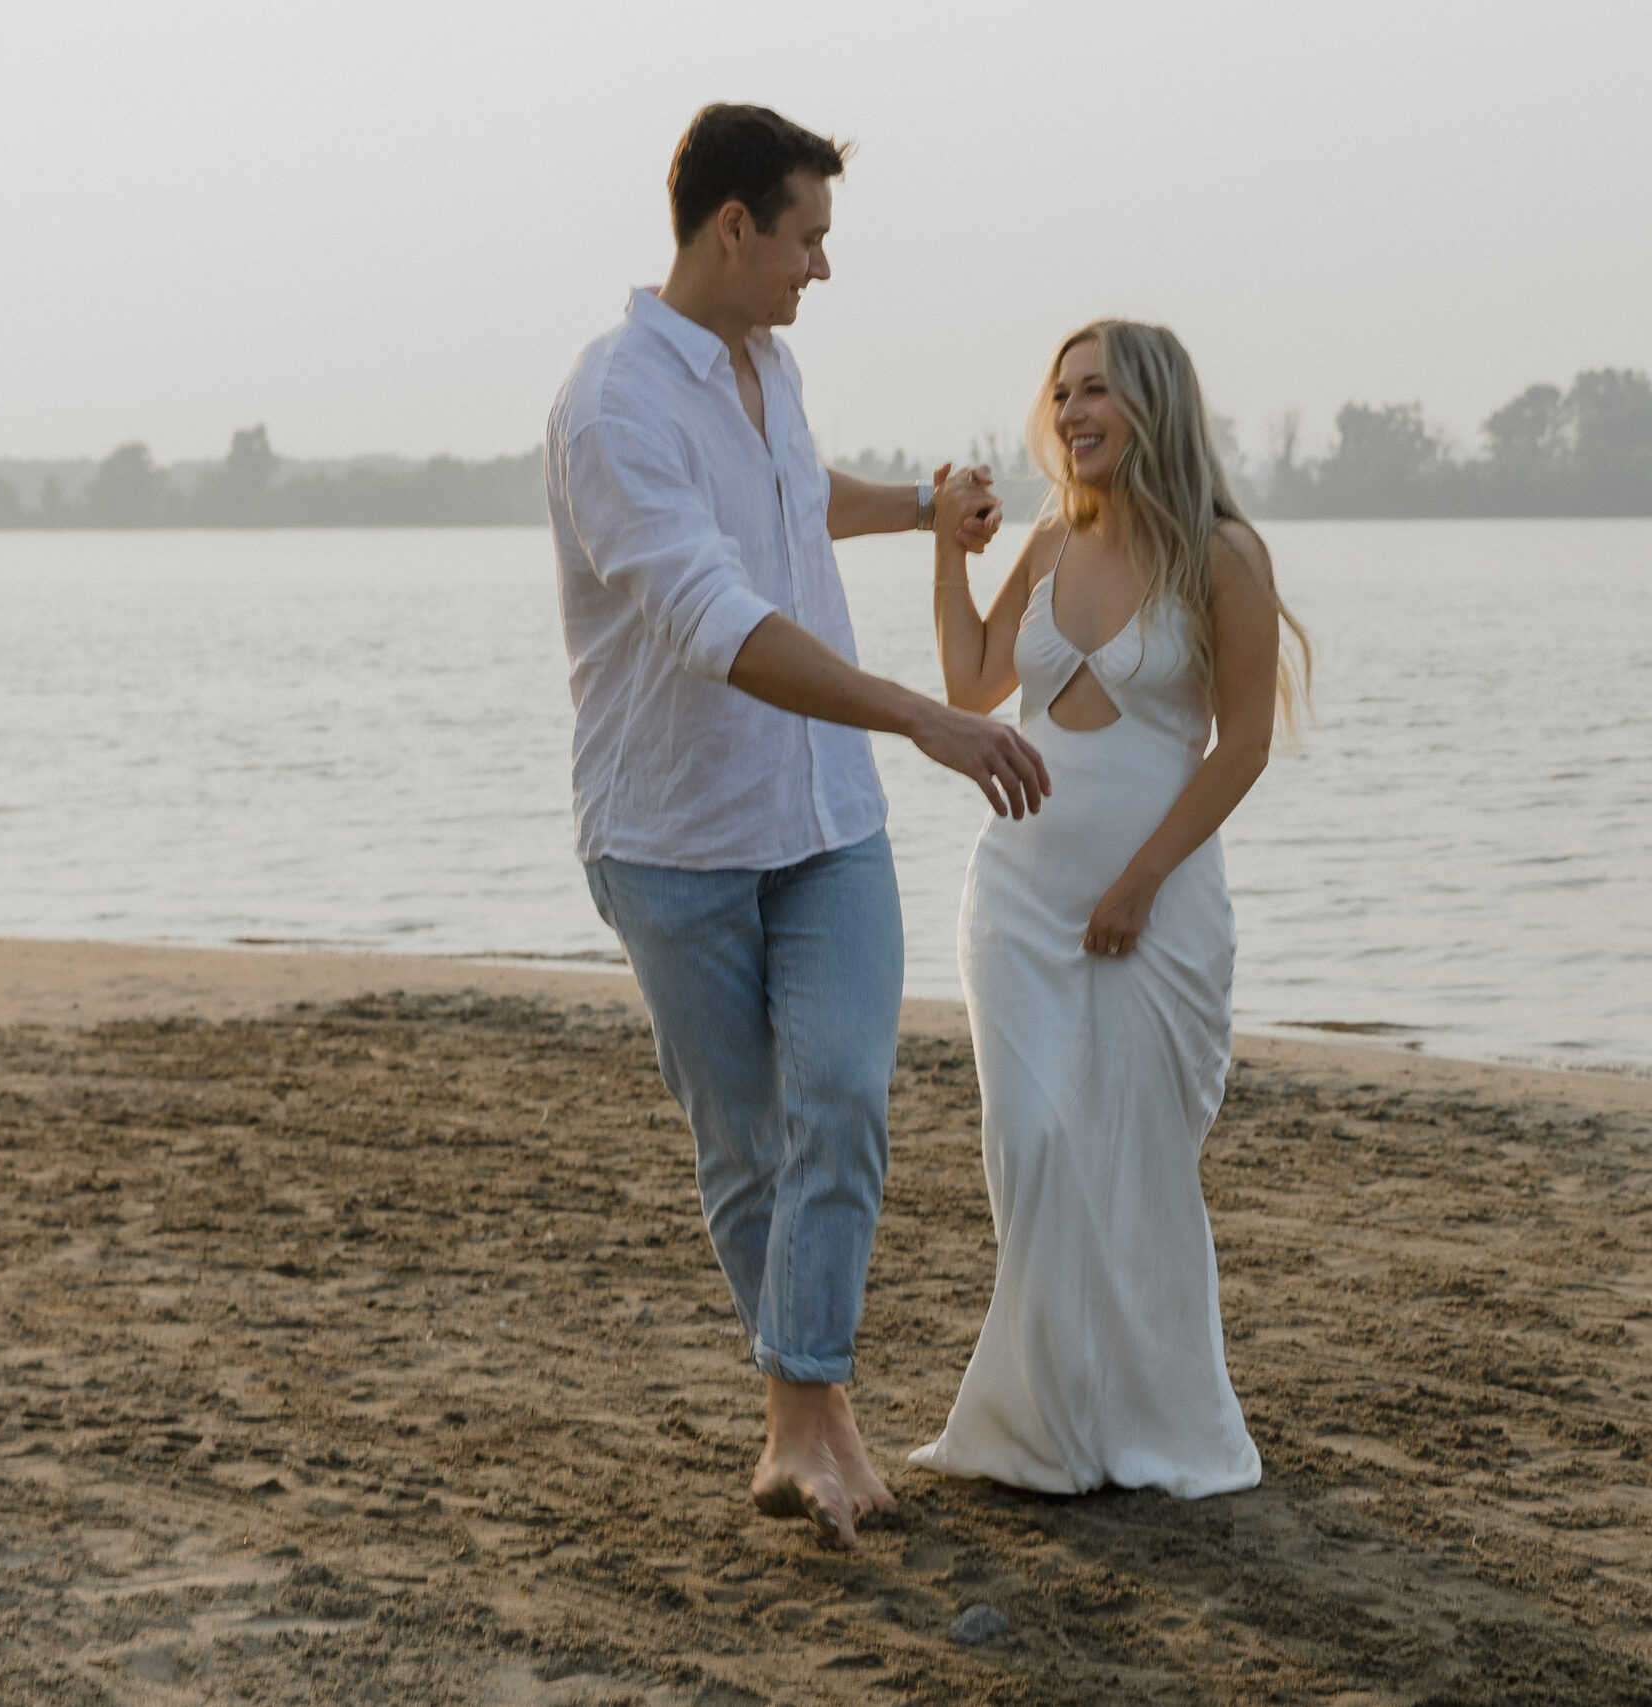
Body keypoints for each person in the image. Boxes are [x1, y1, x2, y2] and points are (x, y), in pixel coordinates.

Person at [545, 104, 1047, 1551]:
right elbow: (709, 616)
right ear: (733, 228)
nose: (823, 268)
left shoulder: (772, 364)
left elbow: (785, 501)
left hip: (823, 817)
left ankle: (804, 1404)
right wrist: (926, 715)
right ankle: (808, 1426)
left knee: (842, 1095)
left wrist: (919, 509)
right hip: (673, 831)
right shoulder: (613, 405)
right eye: (809, 237)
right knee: (748, 1140)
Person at [908, 320, 1310, 1498]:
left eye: (1098, 393)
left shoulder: (1222, 555)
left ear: (1151, 409)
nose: (1074, 412)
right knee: (1032, 1149)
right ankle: (1044, 1429)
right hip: (1019, 900)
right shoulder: (1047, 539)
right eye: (1062, 393)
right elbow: (970, 680)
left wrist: (1140, 880)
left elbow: (1241, 747)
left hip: (1159, 906)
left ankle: (1152, 1428)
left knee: (1135, 1167)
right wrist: (946, 553)